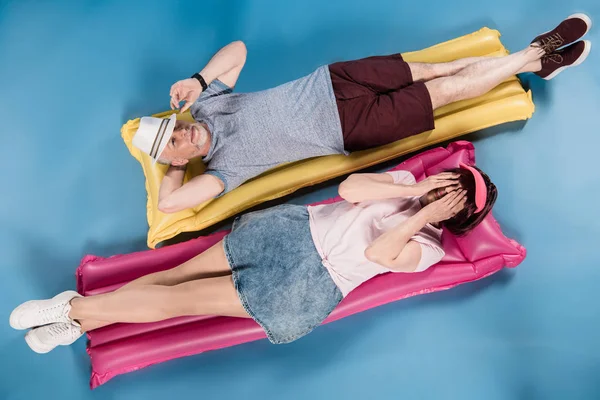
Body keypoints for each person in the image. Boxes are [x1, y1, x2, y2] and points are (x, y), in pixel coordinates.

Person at [11, 164, 497, 353]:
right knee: (173, 277)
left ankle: (73, 311)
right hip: (291, 233)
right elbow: (350, 190)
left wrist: (426, 215)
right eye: (452, 180)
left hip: (306, 285)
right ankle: (76, 317)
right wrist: (415, 190)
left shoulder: (429, 248)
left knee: (181, 300)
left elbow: (378, 252)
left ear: (458, 216)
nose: (447, 188)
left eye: (457, 195)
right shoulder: (406, 186)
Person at [130, 15, 590, 213]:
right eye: (174, 142)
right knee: (447, 90)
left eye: (174, 128)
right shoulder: (222, 170)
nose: (183, 134)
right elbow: (169, 203)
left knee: (439, 66)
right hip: (352, 128)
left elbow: (238, 50)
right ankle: (537, 51)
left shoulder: (208, 103)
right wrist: (170, 165)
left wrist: (198, 79)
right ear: (175, 160)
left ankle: (535, 62)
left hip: (334, 80)